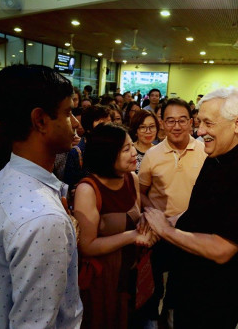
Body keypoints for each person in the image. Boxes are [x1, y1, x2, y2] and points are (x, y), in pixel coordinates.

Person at [144, 87, 238, 328]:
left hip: (214, 296)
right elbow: (201, 212)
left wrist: (166, 231)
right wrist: (172, 220)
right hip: (186, 280)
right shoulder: (215, 157)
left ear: (237, 124)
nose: (200, 130)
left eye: (208, 123)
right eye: (199, 122)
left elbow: (221, 248)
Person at [0, 65, 83, 328]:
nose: (75, 123)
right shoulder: (44, 219)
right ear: (40, 120)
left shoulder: (6, 176)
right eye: (68, 112)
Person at [74, 124, 155, 329]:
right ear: (107, 154)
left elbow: (135, 216)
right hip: (103, 279)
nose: (134, 153)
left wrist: (144, 222)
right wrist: (131, 236)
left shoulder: (131, 179)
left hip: (130, 272)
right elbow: (87, 246)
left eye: (131, 147)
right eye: (126, 149)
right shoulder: (88, 189)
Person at [138, 98, 207, 326]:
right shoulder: (153, 155)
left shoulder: (205, 151)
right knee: (154, 285)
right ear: (162, 123)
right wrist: (154, 214)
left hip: (192, 234)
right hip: (160, 233)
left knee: (183, 287)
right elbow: (141, 191)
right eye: (170, 121)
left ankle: (171, 318)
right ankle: (152, 319)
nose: (176, 126)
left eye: (182, 120)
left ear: (191, 122)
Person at [64, 105, 111, 188]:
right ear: (88, 127)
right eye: (101, 124)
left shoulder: (112, 148)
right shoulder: (77, 153)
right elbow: (69, 185)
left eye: (109, 124)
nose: (106, 128)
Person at [129, 110, 159, 174]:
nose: (148, 131)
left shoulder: (160, 151)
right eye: (142, 127)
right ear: (135, 130)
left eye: (152, 126)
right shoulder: (129, 151)